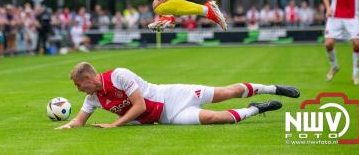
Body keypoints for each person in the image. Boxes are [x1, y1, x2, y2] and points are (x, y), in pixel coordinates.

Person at [56, 62, 300, 129]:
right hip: (168, 117)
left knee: (229, 92)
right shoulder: (93, 99)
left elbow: (139, 106)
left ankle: (273, 88)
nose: (79, 91)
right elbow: (78, 121)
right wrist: (67, 126)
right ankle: (258, 108)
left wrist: (114, 124)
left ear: (88, 78)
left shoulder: (119, 75)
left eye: (79, 85)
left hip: (172, 95)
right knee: (218, 119)